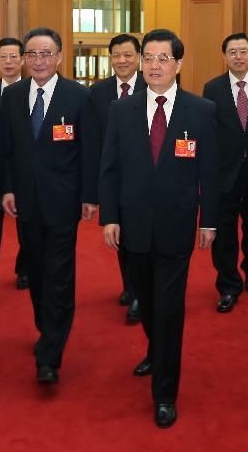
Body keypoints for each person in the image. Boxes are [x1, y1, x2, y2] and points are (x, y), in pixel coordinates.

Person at [100, 29, 217, 428]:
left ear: (179, 64)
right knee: (146, 302)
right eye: (148, 58)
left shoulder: (200, 111)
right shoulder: (122, 110)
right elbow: (110, 167)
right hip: (132, 224)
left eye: (163, 58)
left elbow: (212, 172)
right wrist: (110, 216)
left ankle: (165, 392)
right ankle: (156, 347)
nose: (153, 65)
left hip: (176, 224)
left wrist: (211, 220)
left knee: (168, 309)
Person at [1, 27, 98, 385]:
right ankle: (47, 328)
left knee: (59, 275)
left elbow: (90, 149)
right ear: (24, 60)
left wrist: (90, 195)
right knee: (37, 271)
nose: (39, 60)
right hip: (25, 201)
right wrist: (7, 189)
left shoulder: (78, 96)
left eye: (46, 54)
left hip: (63, 200)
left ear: (59, 57)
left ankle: (50, 354)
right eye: (32, 54)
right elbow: (6, 149)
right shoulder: (10, 97)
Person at [202, 33, 248, 313]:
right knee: (223, 233)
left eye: (243, 51)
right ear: (224, 57)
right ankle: (228, 285)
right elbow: (207, 133)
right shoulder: (212, 89)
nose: (238, 56)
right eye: (232, 52)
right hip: (224, 173)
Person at [88, 33, 145, 323]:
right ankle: (130, 285)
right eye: (116, 55)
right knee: (119, 235)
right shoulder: (98, 92)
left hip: (145, 180)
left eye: (128, 55)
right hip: (113, 179)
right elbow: (93, 141)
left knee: (138, 237)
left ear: (138, 57)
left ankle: (137, 294)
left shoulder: (153, 85)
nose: (122, 60)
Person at [0, 37, 29, 307]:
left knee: (27, 228)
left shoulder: (31, 91)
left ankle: (25, 269)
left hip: (22, 174)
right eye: (3, 57)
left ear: (22, 60)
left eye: (14, 57)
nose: (8, 62)